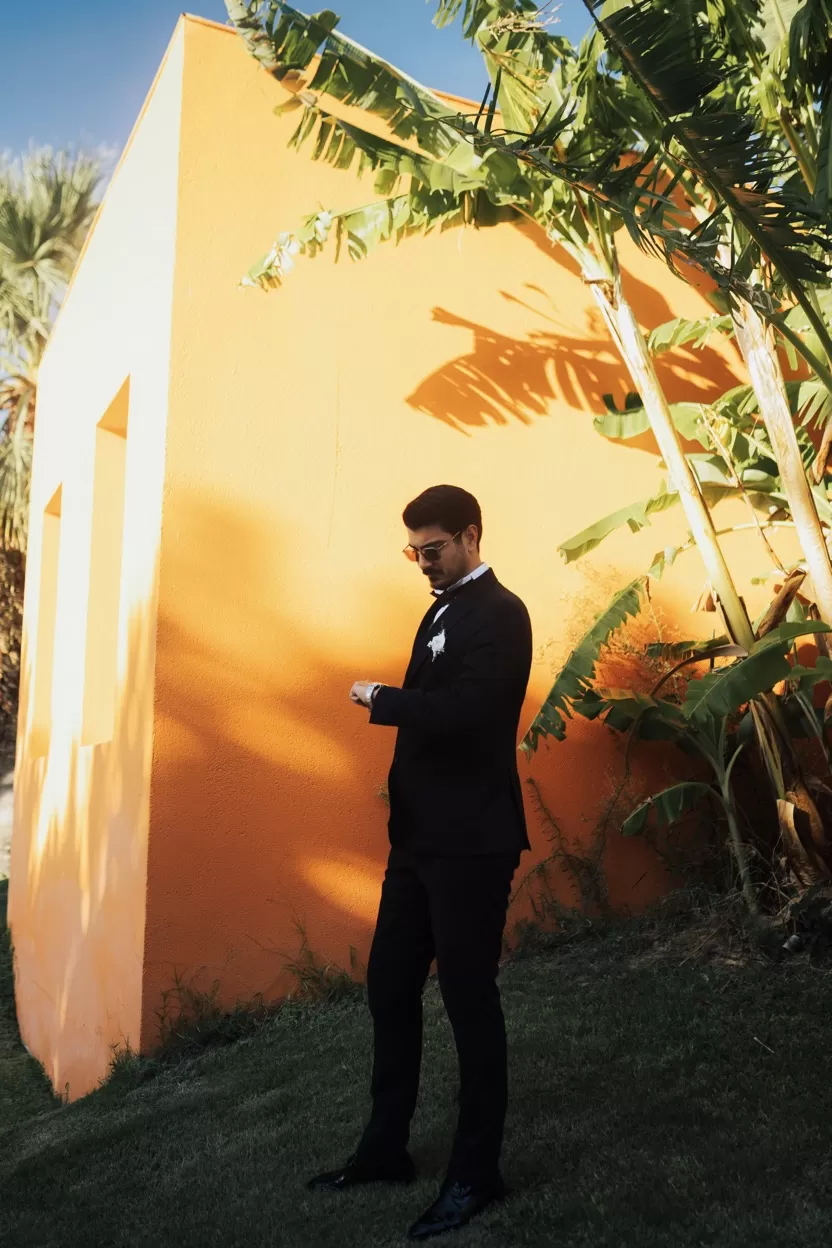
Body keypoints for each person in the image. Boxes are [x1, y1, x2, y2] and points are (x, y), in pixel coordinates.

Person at [307, 484, 533, 1241]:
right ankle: (384, 1151)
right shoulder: (440, 610)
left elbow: (469, 713)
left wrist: (383, 697)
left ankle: (476, 1174)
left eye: (432, 550)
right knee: (389, 986)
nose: (424, 563)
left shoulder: (502, 613)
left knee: (470, 1002)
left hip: (473, 843)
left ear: (470, 536)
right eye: (414, 553)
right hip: (418, 842)